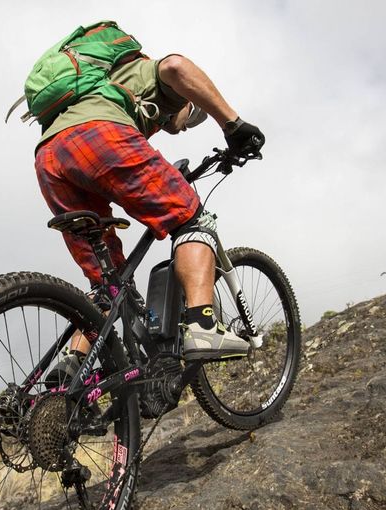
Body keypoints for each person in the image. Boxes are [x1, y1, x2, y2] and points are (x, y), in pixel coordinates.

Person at [34, 48, 265, 377]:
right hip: (98, 135)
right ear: (188, 101)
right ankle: (203, 325)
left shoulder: (102, 89)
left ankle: (72, 366)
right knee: (192, 218)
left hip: (49, 157)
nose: (183, 128)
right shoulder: (146, 75)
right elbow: (175, 65)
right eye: (190, 118)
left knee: (108, 282)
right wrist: (233, 124)